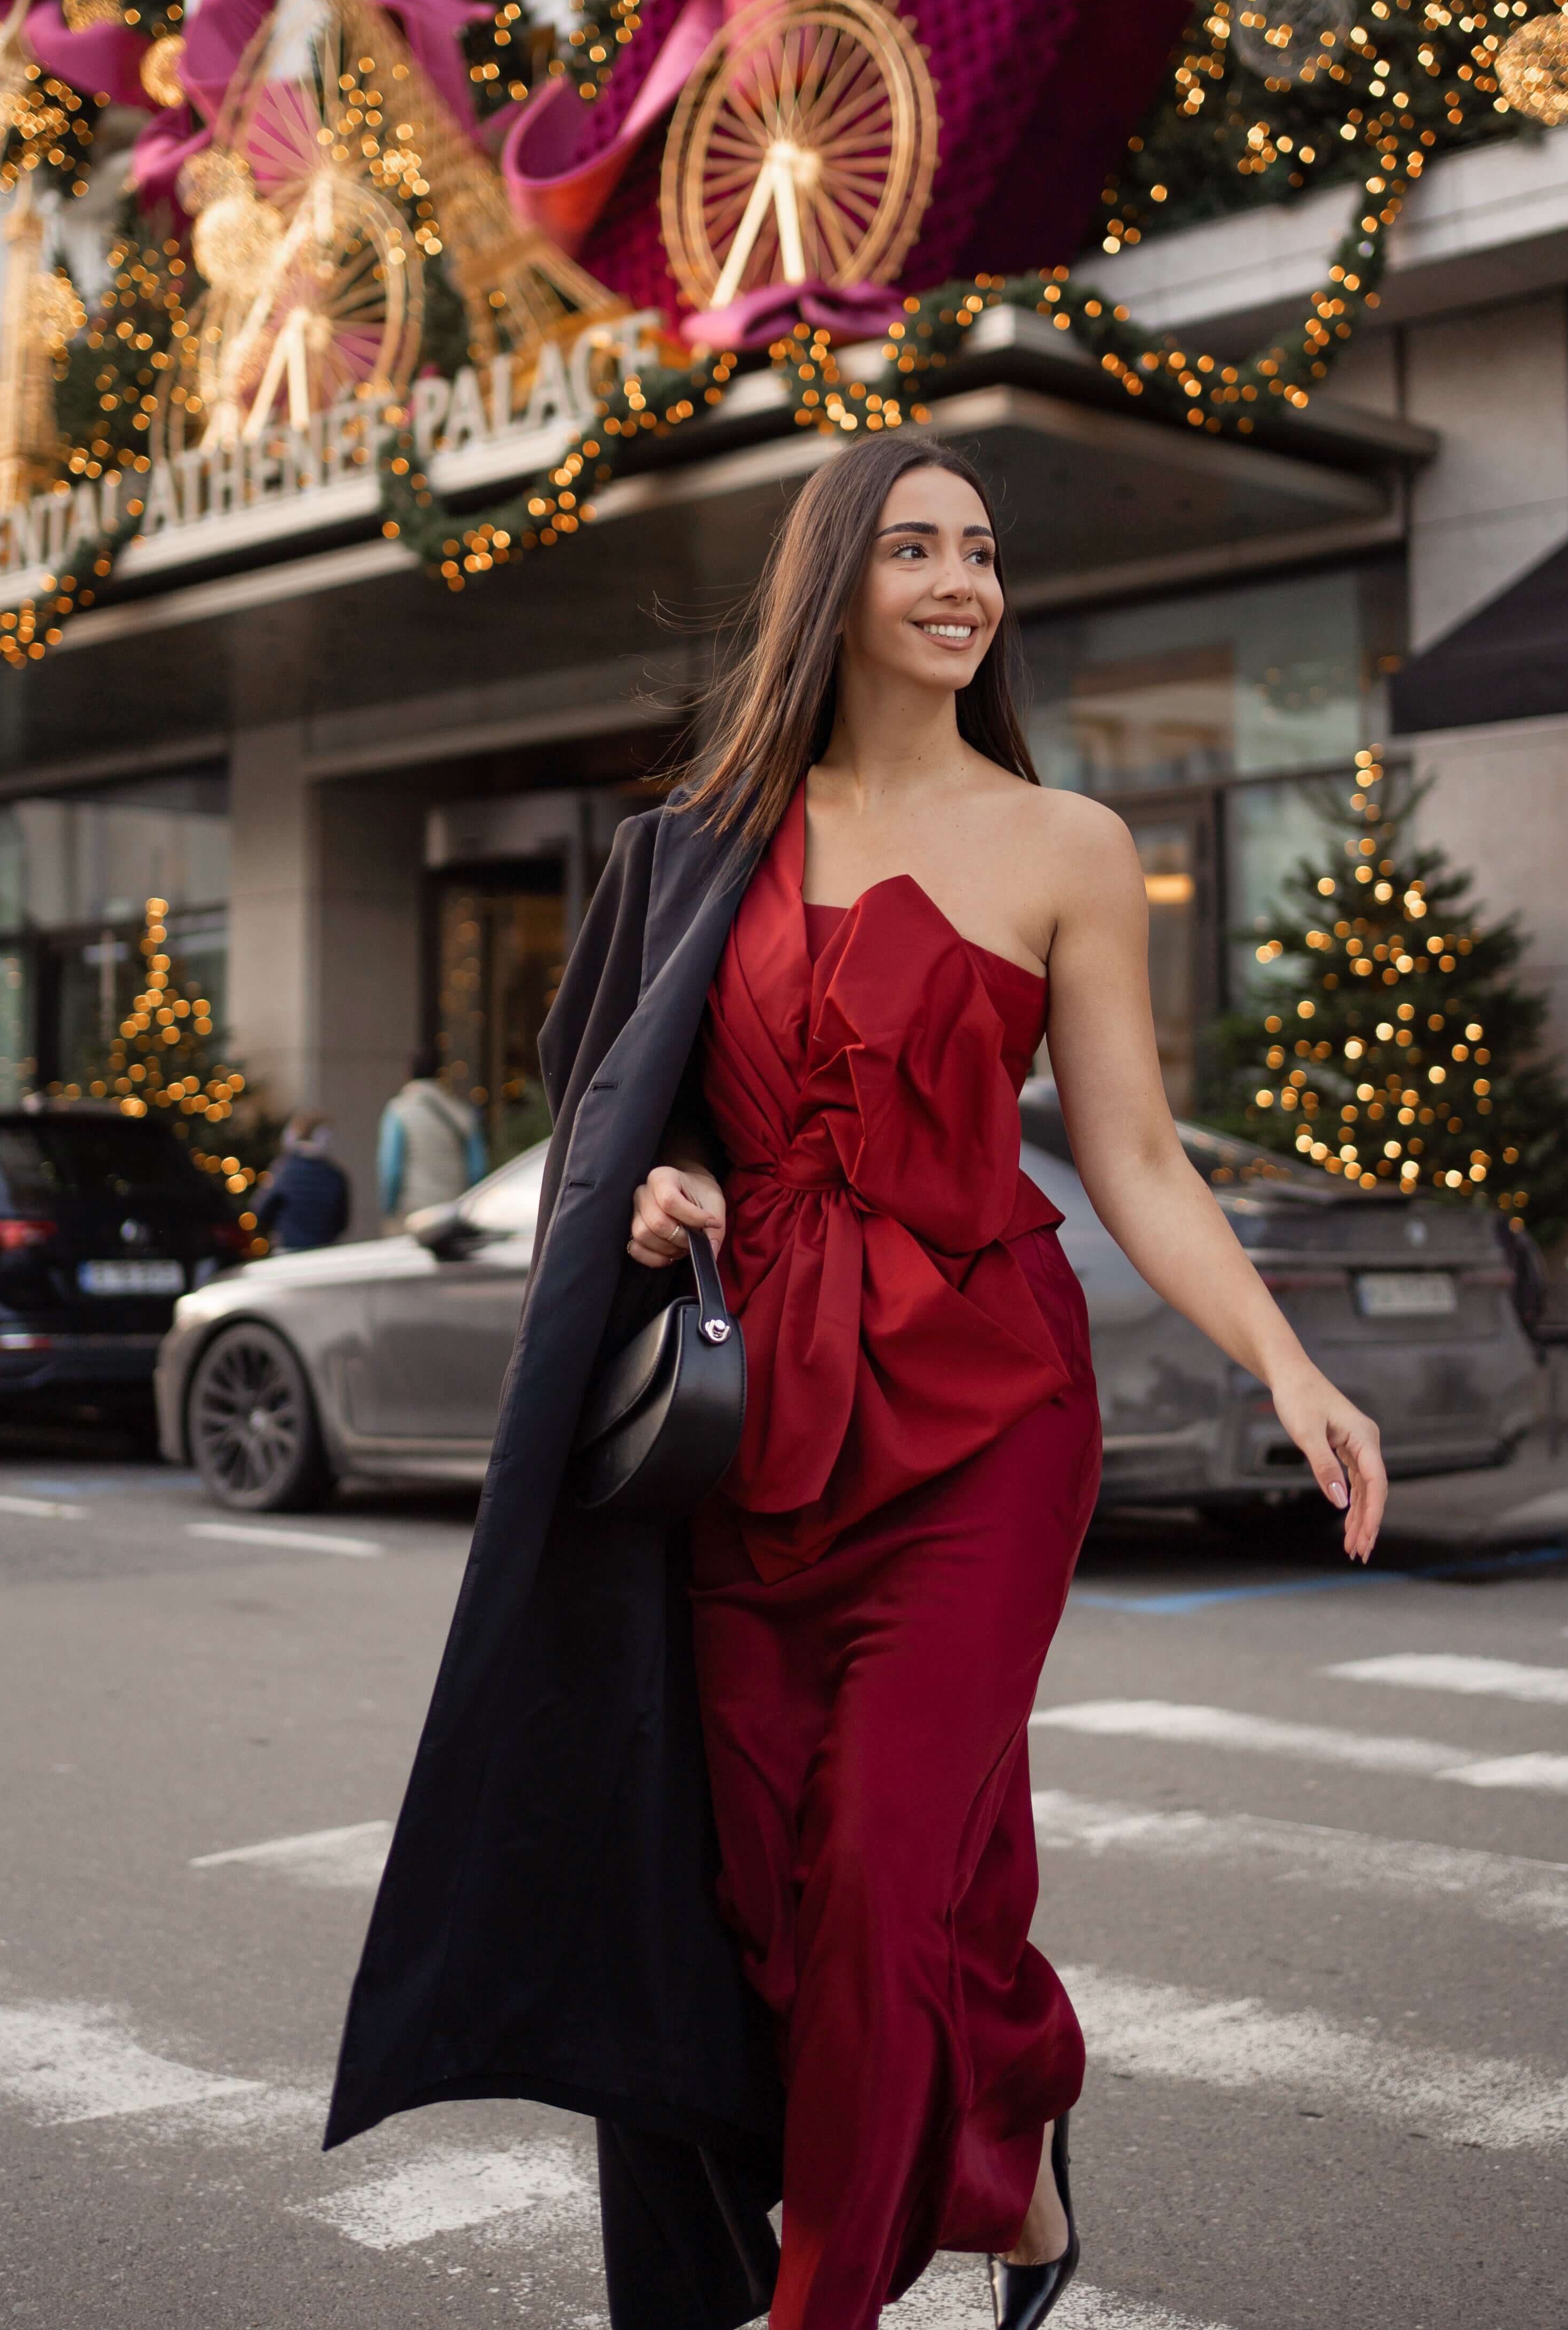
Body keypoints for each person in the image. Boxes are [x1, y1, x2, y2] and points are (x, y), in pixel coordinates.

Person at [325, 435, 1388, 2330]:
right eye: (912, 546)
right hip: (754, 1436)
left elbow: (1134, 1157)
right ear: (835, 583)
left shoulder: (1063, 844)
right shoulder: (701, 842)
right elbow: (629, 1127)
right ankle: (1013, 2140)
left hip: (985, 1421)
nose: (958, 580)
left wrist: (1285, 1362)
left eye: (978, 548)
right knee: (773, 1898)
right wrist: (670, 1194)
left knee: (886, 1879)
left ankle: (818, 2300)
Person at [377, 1047, 486, 1230]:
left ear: (408, 1074)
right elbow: (477, 1169)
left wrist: (390, 1208)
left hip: (412, 1211)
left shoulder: (399, 1111)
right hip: (452, 1211)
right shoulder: (462, 1112)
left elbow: (391, 1170)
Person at [252, 1111, 350, 1252]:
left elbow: (261, 1211)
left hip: (289, 1250)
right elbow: (342, 1222)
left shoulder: (282, 1170)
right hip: (327, 1250)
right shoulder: (336, 1175)